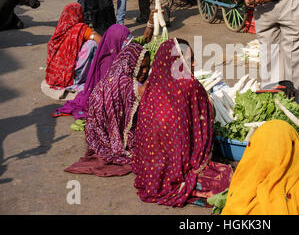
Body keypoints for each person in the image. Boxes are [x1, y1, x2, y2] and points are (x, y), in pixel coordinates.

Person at [132, 38, 233, 207]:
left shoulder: (151, 86)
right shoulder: (190, 86)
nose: (193, 65)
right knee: (226, 177)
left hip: (149, 169)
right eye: (189, 60)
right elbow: (203, 127)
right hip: (176, 168)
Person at [64, 43, 150, 176]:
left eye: (147, 67)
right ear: (131, 64)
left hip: (97, 135)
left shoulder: (115, 74)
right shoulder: (124, 83)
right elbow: (145, 94)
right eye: (142, 67)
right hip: (106, 133)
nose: (144, 71)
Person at [53, 16, 155, 119]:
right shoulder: (107, 64)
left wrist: (150, 23)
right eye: (125, 43)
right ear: (117, 42)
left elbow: (144, 39)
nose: (127, 47)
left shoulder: (121, 52)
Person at [42, 3, 101, 99]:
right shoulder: (81, 28)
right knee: (92, 44)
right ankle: (79, 79)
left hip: (54, 76)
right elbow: (100, 41)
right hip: (70, 77)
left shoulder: (60, 29)